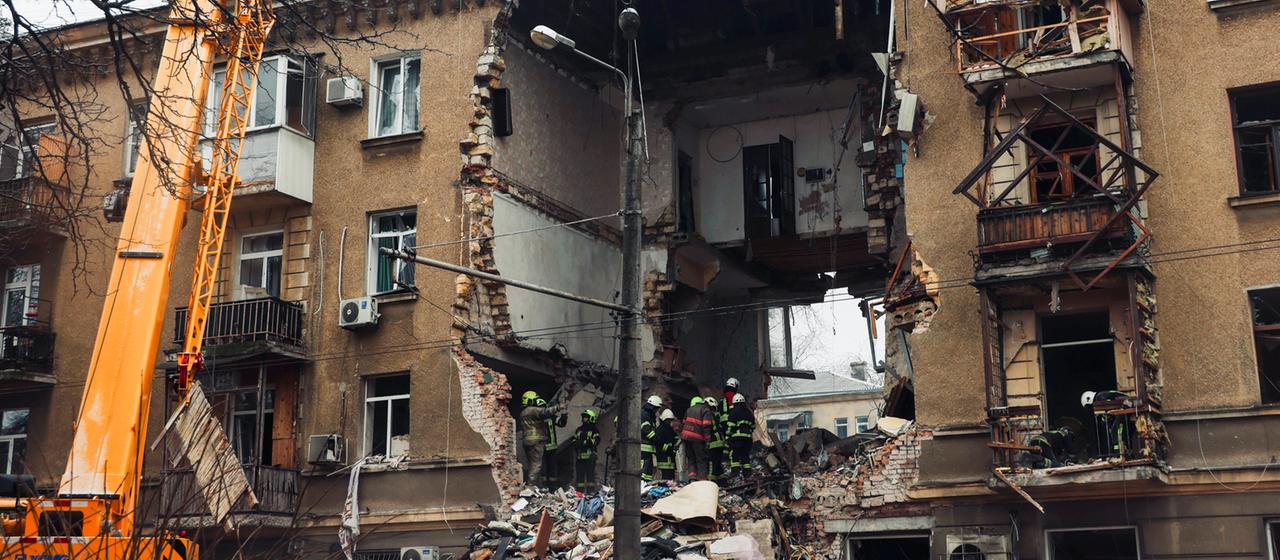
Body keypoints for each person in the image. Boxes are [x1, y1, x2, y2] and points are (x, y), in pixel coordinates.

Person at [520, 391, 563, 485]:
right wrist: (559, 407)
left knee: (532, 464)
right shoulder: (532, 410)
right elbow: (545, 412)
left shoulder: (523, 413)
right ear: (530, 401)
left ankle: (536, 485)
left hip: (527, 441)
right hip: (536, 441)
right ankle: (531, 485)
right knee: (536, 464)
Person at [1081, 390, 1134, 458]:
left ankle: (1119, 454)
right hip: (1126, 405)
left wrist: (1105, 417)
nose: (1092, 407)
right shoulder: (1102, 395)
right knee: (1122, 433)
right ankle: (1126, 453)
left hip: (1126, 406)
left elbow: (1108, 407)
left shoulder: (1100, 397)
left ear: (1089, 399)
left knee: (1115, 432)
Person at [681, 396, 714, 480]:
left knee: (691, 459)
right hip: (697, 439)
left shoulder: (689, 409)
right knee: (701, 460)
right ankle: (702, 480)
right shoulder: (706, 410)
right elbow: (706, 426)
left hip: (686, 438)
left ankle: (692, 478)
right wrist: (707, 441)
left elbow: (684, 422)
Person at [726, 393, 756, 476]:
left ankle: (735, 474)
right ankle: (747, 473)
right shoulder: (749, 413)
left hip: (737, 439)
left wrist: (728, 435)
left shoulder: (734, 412)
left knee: (734, 455)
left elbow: (730, 426)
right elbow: (753, 426)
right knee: (745, 456)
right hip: (748, 439)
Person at [541, 397, 568, 485]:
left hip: (550, 446)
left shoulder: (551, 416)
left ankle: (551, 487)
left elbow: (561, 423)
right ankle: (544, 487)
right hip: (543, 446)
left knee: (551, 467)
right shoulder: (539, 417)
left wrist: (564, 415)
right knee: (544, 467)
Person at [573, 408, 601, 491]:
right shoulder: (579, 430)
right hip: (580, 457)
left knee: (590, 477)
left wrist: (586, 442)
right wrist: (579, 443)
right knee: (579, 477)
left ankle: (590, 492)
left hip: (590, 457)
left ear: (591, 418)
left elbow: (597, 440)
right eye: (584, 417)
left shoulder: (594, 430)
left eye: (586, 417)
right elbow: (574, 441)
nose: (584, 419)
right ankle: (580, 493)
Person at [641, 395, 662, 482]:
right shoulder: (644, 415)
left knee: (649, 467)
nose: (657, 411)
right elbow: (646, 429)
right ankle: (641, 483)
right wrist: (656, 438)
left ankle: (646, 484)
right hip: (643, 446)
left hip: (648, 447)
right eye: (656, 408)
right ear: (652, 407)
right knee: (644, 466)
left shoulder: (650, 415)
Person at [654, 408, 680, 481]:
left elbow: (674, 437)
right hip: (664, 459)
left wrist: (677, 440)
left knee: (671, 480)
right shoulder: (660, 430)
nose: (670, 422)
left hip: (670, 459)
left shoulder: (669, 429)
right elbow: (659, 444)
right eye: (669, 420)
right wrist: (670, 449)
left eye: (671, 420)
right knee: (666, 480)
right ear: (665, 420)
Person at [705, 396, 725, 481]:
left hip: (713, 442)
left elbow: (707, 428)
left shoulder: (708, 415)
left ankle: (711, 481)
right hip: (720, 442)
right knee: (718, 463)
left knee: (712, 463)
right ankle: (722, 481)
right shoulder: (716, 415)